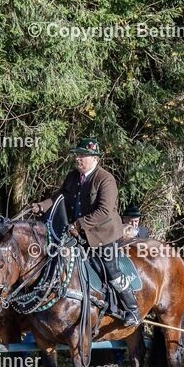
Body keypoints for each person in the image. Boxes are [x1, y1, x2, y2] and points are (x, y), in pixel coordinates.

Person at [31, 136, 142, 325]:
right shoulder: (73, 177)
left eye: (83, 155)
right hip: (77, 233)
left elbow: (104, 211)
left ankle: (133, 309)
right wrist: (41, 206)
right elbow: (59, 198)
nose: (78, 158)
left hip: (103, 234)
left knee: (110, 268)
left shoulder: (105, 179)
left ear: (95, 159)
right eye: (77, 155)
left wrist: (78, 225)